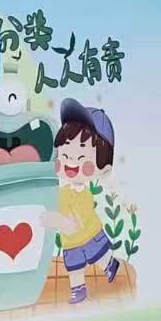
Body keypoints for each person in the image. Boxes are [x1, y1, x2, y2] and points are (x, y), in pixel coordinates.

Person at [45, 99, 120, 304]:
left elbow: (74, 222)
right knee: (74, 268)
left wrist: (53, 220)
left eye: (81, 157)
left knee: (99, 256)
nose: (71, 161)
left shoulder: (83, 194)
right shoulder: (63, 191)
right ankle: (78, 290)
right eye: (65, 153)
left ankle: (110, 264)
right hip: (71, 242)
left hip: (89, 236)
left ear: (104, 170)